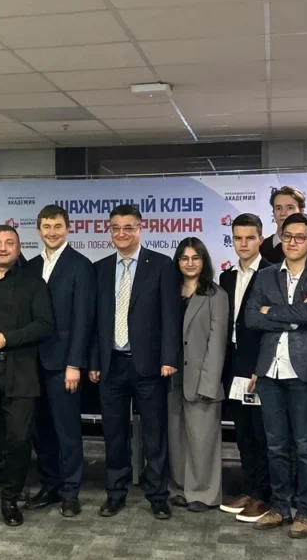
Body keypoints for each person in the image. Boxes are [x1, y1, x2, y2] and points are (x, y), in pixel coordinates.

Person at [243, 213, 307, 538]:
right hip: (269, 370)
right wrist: (295, 318)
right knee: (276, 445)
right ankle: (280, 507)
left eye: (300, 237)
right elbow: (251, 318)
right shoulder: (266, 275)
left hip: (304, 370)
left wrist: (272, 311)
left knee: (306, 446)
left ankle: (306, 512)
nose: (292, 242)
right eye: (287, 236)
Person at [89, 204, 179, 520]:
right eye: (116, 227)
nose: (122, 233)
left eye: (129, 227)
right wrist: (94, 361)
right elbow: (95, 321)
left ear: (141, 228)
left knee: (154, 434)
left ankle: (158, 495)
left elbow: (171, 315)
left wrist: (169, 358)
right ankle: (115, 493)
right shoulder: (99, 269)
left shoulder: (162, 265)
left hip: (150, 366)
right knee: (114, 434)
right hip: (111, 364)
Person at [0, 225, 54, 527]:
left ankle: (11, 499)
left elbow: (45, 324)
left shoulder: (34, 282)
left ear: (18, 247)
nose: (3, 248)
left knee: (18, 440)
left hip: (22, 371)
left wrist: (6, 338)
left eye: (9, 243)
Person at [25, 205, 96, 518]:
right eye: (46, 226)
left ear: (68, 228)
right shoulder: (30, 266)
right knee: (41, 431)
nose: (51, 232)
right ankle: (50, 485)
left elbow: (83, 319)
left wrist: (74, 364)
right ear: (38, 230)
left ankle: (70, 492)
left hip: (64, 364)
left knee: (66, 431)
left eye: (57, 226)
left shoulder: (81, 266)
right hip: (32, 363)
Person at [218, 213, 273, 521]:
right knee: (243, 432)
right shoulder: (226, 277)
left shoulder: (272, 273)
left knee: (262, 432)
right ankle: (250, 490)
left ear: (260, 239)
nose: (243, 243)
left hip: (259, 364)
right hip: (234, 363)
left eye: (250, 237)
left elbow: (273, 327)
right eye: (238, 238)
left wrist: (261, 366)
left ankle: (264, 496)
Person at [168, 238, 228, 512]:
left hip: (202, 377)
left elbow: (217, 343)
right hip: (172, 376)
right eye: (184, 258)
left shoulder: (216, 295)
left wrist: (209, 383)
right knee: (177, 437)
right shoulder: (170, 291)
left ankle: (204, 494)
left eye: (195, 258)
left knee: (202, 440)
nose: (189, 263)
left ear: (204, 261)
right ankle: (181, 488)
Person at [260, 187, 307, 264]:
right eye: (278, 208)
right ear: (273, 213)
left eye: (290, 208)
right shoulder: (259, 248)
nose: (283, 213)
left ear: (301, 211)